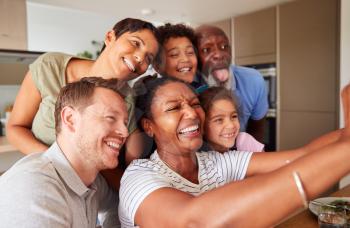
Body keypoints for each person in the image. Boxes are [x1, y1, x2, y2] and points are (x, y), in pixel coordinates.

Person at [119, 76, 350, 227]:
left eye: (195, 104)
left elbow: (301, 156)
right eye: (174, 107)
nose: (191, 113)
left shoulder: (216, 162)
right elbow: (193, 222)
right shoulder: (138, 177)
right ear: (149, 126)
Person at [6, 18, 159, 163]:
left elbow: (124, 162)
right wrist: (57, 162)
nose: (140, 57)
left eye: (148, 58)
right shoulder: (50, 67)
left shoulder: (127, 99)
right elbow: (15, 129)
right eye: (136, 43)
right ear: (110, 37)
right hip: (40, 171)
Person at [0, 77, 129, 227]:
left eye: (125, 123)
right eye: (110, 118)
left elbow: (116, 207)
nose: (125, 132)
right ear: (70, 119)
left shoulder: (94, 182)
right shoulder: (35, 188)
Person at [195, 25, 268, 142]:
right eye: (206, 50)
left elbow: (257, 129)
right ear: (195, 56)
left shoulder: (253, 80)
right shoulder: (189, 87)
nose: (219, 54)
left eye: (224, 47)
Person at [198, 86, 264, 153]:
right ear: (202, 126)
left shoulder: (244, 142)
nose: (231, 125)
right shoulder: (197, 154)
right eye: (219, 120)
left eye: (234, 116)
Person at [154, 23, 207, 91]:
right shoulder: (153, 98)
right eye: (174, 54)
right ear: (157, 66)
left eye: (190, 52)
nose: (185, 59)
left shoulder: (205, 91)